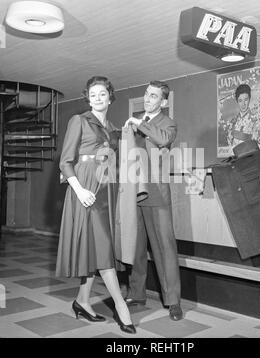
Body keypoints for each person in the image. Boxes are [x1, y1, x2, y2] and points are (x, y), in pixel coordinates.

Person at [55, 76, 136, 334]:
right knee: (103, 248)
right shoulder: (78, 120)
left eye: (102, 93)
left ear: (110, 97)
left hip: (106, 189)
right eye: (93, 94)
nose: (98, 98)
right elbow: (66, 162)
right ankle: (121, 308)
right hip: (85, 190)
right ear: (87, 98)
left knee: (94, 247)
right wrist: (79, 191)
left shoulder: (112, 128)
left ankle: (82, 301)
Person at [124, 80, 183, 321]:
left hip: (156, 194)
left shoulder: (167, 124)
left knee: (164, 248)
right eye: (147, 95)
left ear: (163, 102)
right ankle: (136, 293)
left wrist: (140, 124)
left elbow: (162, 140)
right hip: (132, 193)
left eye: (154, 96)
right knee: (135, 246)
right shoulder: (133, 123)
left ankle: (173, 302)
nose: (148, 99)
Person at [228, 83, 260, 148]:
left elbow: (258, 141)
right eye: (240, 101)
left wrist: (239, 135)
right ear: (237, 101)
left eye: (246, 100)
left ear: (249, 99)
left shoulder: (255, 119)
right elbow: (229, 141)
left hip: (250, 156)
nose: (243, 104)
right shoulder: (233, 122)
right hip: (236, 156)